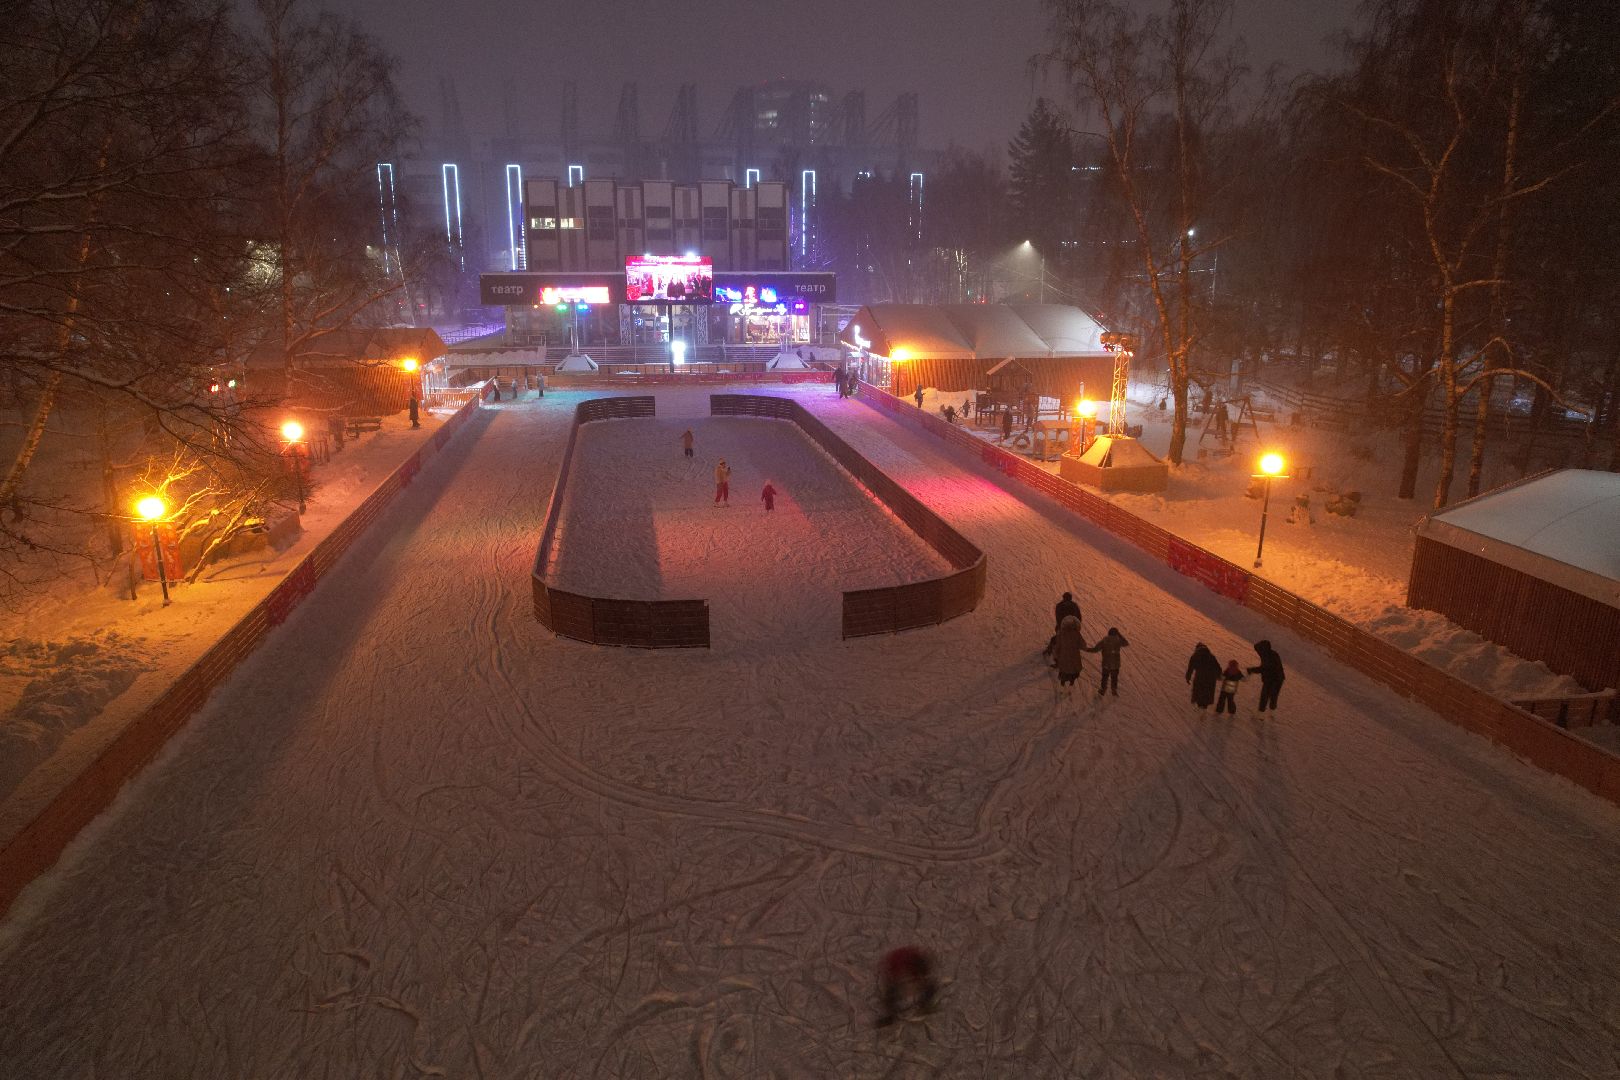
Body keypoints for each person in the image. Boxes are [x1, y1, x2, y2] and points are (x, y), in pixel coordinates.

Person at [876, 946, 938, 1027]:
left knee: (928, 988)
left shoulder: (916, 969)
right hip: (900, 971)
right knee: (892, 994)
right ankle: (891, 1014)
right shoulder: (896, 971)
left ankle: (925, 1006)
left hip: (909, 969)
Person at [1085, 627, 1129, 697]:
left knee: (1105, 677)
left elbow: (1095, 649)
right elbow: (1126, 643)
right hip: (1115, 664)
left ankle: (1103, 690)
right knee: (1114, 677)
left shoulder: (1105, 640)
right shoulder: (1118, 640)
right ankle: (1114, 690)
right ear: (1116, 633)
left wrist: (1086, 649)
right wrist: (1120, 635)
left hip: (1106, 663)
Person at [1247, 639, 1286, 713]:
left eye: (1258, 651)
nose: (1258, 653)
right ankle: (1270, 711)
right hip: (1277, 678)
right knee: (1272, 696)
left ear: (1262, 649)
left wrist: (1252, 670)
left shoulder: (1268, 656)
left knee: (1266, 696)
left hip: (1274, 679)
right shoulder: (1270, 654)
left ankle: (1263, 714)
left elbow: (1264, 668)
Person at [1053, 614, 1086, 695]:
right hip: (1074, 658)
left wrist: (1056, 656)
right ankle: (1070, 689)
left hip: (1064, 658)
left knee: (1063, 673)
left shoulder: (1061, 634)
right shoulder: (1077, 634)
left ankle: (1061, 688)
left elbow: (1057, 646)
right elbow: (1083, 645)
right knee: (1073, 674)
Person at [1186, 642, 1222, 711]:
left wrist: (1188, 677)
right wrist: (1218, 675)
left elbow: (1190, 668)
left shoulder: (1195, 656)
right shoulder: (1211, 656)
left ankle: (1200, 706)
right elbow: (1218, 667)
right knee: (1207, 691)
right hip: (1210, 678)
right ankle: (1204, 707)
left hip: (1200, 677)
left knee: (1199, 690)